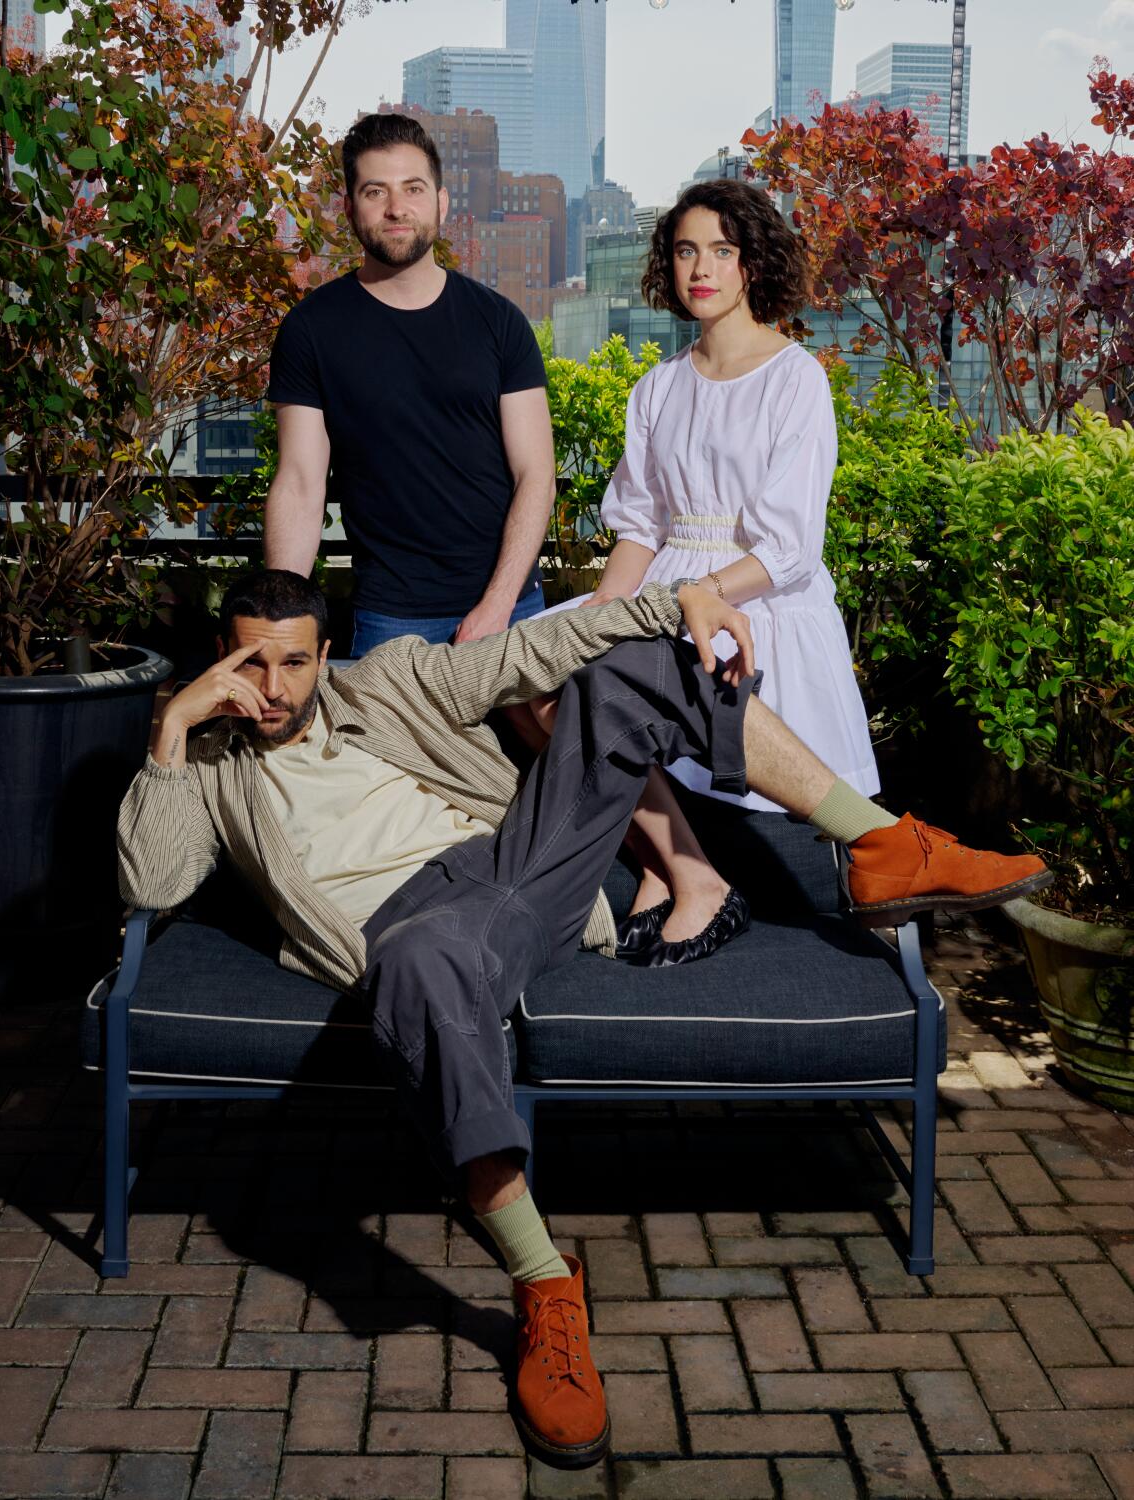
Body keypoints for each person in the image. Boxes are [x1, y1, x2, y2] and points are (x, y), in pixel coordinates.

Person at [117, 568, 1050, 1471]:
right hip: (413, 936)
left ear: (327, 654)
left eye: (293, 663)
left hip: (516, 868)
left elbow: (531, 650)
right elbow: (152, 882)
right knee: (417, 958)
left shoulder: (389, 678)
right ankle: (546, 1289)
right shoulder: (205, 765)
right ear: (218, 660)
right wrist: (170, 726)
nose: (273, 689)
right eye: (250, 665)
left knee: (642, 667)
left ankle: (884, 845)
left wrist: (668, 600)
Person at [532, 178, 878, 968]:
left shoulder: (797, 378)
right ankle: (676, 871)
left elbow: (790, 547)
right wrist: (596, 622)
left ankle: (692, 879)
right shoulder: (657, 386)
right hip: (663, 589)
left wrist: (703, 596)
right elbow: (643, 527)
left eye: (722, 251)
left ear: (752, 263)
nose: (702, 268)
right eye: (686, 250)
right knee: (539, 682)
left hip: (754, 598)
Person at [262, 111, 555, 655]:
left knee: (549, 740)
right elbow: (301, 483)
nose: (397, 208)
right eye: (376, 191)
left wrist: (496, 606)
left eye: (413, 189)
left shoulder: (500, 322)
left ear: (442, 203)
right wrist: (282, 621)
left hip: (511, 604)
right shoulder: (311, 330)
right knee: (380, 746)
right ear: (348, 208)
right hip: (390, 615)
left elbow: (535, 475)